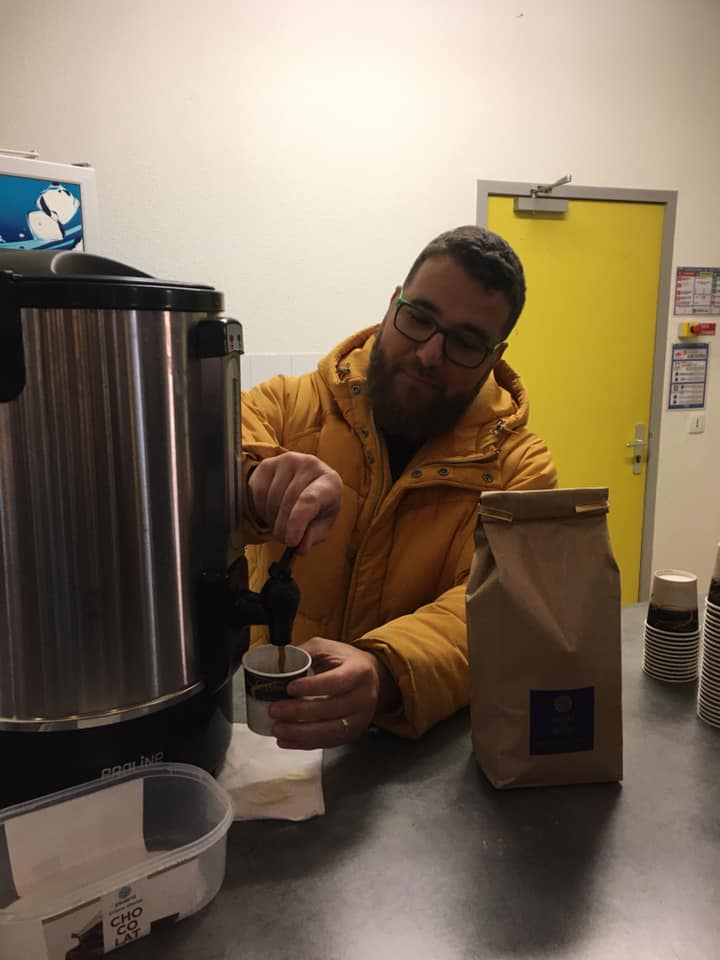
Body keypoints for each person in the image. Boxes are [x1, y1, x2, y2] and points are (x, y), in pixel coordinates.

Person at [241, 225, 557, 749]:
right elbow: (205, 452)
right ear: (393, 304)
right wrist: (253, 485)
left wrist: (387, 671)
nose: (429, 354)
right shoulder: (290, 406)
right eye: (419, 318)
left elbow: (503, 604)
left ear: (494, 355)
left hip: (416, 757)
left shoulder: (521, 469)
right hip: (267, 744)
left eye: (465, 342)